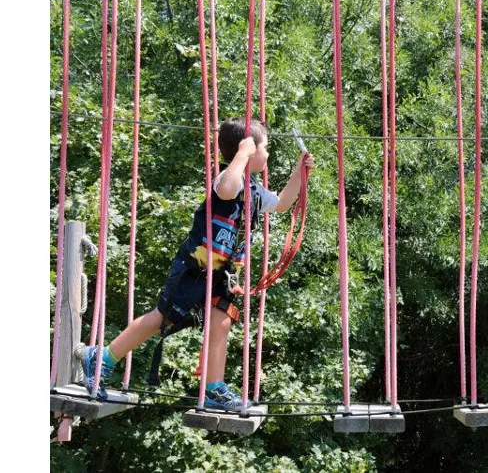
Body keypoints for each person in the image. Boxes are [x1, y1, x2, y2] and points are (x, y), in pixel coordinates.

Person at [81, 117, 315, 411]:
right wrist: (243, 154)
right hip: (197, 267)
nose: (267, 153)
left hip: (223, 273)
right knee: (162, 317)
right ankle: (101, 358)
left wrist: (299, 172)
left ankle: (214, 388)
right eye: (264, 147)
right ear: (249, 148)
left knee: (222, 321)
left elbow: (282, 203)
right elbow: (228, 189)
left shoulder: (255, 191)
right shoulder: (227, 179)